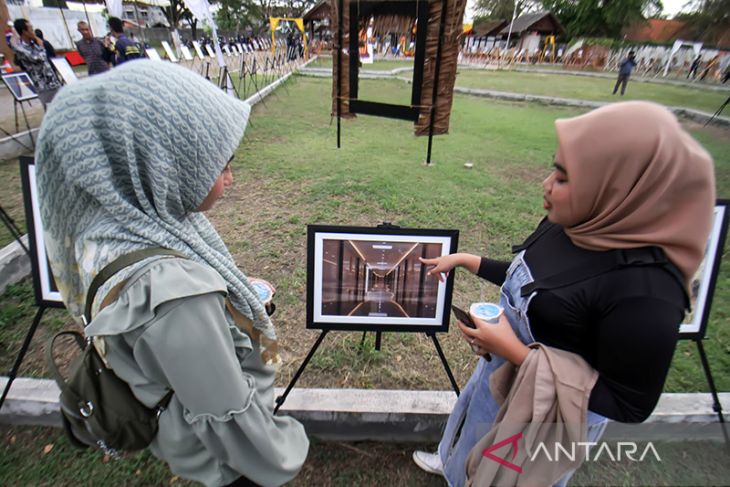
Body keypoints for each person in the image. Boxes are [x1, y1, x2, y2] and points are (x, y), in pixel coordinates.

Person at [35, 60, 309, 487]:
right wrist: (288, 447)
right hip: (228, 464)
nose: (230, 179)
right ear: (163, 163)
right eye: (221, 166)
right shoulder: (173, 294)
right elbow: (231, 419)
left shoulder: (108, 229)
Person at [412, 101, 715, 486]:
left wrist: (516, 353)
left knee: (501, 475)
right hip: (501, 379)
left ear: (618, 186)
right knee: (471, 435)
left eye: (564, 176)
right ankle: (453, 463)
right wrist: (468, 260)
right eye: (554, 168)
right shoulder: (579, 221)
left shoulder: (648, 291)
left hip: (543, 418)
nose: (546, 184)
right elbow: (539, 285)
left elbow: (629, 403)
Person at [10, 18, 61, 107]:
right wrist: (40, 44)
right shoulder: (22, 50)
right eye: (31, 29)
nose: (33, 32)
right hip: (44, 87)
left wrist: (38, 42)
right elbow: (39, 57)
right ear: (24, 32)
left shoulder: (35, 45)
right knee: (52, 111)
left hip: (54, 83)